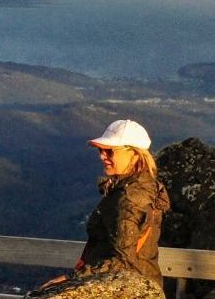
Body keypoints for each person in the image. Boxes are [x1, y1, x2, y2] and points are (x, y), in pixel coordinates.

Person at [69, 118, 171, 288]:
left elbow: (122, 258)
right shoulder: (140, 186)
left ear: (135, 154)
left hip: (125, 289)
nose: (103, 156)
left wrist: (75, 277)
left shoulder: (131, 196)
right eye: (101, 150)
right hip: (135, 284)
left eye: (110, 151)